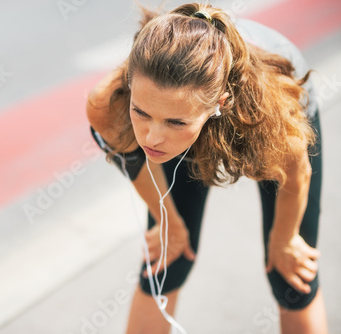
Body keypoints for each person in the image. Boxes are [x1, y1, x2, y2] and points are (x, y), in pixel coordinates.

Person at [86, 2, 328, 334]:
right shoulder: (107, 103)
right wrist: (167, 220)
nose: (151, 137)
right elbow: (134, 163)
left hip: (270, 94)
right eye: (140, 112)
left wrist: (284, 239)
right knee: (168, 259)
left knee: (291, 274)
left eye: (174, 121)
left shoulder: (274, 117)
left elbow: (296, 173)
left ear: (220, 104)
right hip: (192, 100)